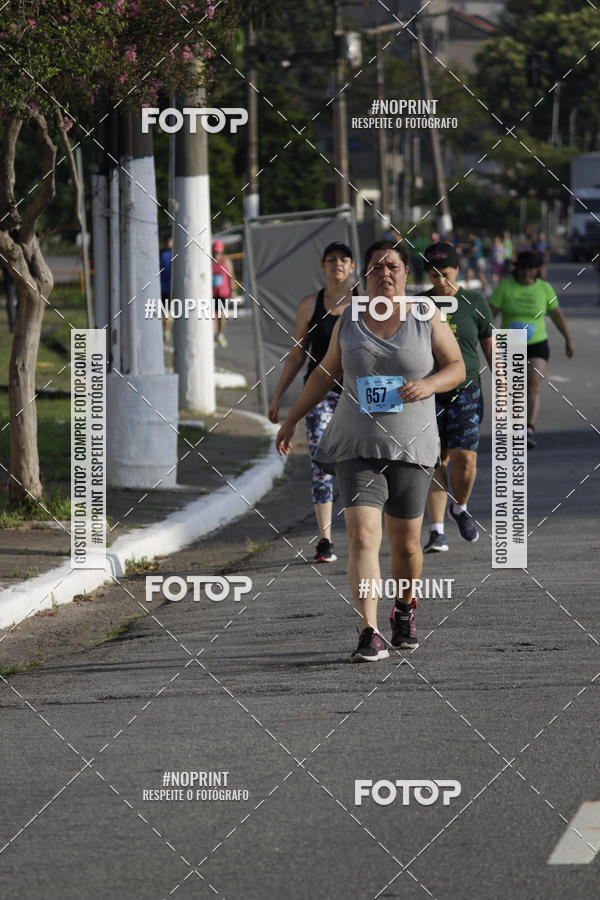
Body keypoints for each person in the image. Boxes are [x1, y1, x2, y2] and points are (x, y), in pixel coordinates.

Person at [276, 240, 465, 662]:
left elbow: (457, 367)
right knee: (362, 535)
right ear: (365, 275)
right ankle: (369, 630)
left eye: (392, 266)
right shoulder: (350, 318)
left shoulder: (425, 314)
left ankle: (404, 609)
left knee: (407, 545)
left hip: (412, 446)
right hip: (356, 445)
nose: (385, 274)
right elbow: (324, 374)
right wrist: (291, 419)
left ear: (406, 272)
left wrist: (429, 384)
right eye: (376, 267)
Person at [268, 241, 355, 563]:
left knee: (360, 463)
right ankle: (325, 539)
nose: (337, 264)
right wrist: (278, 396)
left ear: (353, 266)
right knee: (321, 461)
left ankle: (364, 531)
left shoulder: (366, 303)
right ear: (322, 265)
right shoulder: (310, 305)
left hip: (358, 393)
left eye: (344, 259)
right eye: (331, 259)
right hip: (320, 393)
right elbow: (296, 355)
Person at [420, 242, 494, 552]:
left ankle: (459, 506)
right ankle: (437, 531)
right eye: (434, 275)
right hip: (429, 391)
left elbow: (490, 346)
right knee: (435, 460)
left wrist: (504, 385)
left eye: (446, 274)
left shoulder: (474, 301)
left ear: (459, 270)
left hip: (466, 390)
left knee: (465, 458)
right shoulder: (419, 303)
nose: (440, 281)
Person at [490, 250, 574, 448]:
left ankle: (529, 428)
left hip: (538, 343)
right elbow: (489, 315)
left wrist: (568, 339)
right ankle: (516, 426)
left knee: (533, 383)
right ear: (517, 269)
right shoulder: (505, 287)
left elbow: (556, 315)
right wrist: (485, 339)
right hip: (510, 342)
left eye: (531, 268)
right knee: (515, 387)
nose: (527, 272)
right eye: (523, 268)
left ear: (537, 270)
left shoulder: (544, 288)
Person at [212, 239, 235, 347]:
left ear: (222, 252)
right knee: (213, 315)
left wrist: (233, 290)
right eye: (215, 252)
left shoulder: (226, 262)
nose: (216, 254)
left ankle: (220, 334)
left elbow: (231, 277)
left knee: (221, 314)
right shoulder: (209, 261)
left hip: (223, 292)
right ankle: (214, 336)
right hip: (212, 293)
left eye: (218, 252)